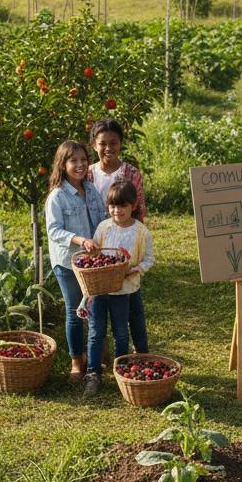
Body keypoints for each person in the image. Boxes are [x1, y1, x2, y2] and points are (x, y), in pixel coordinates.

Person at [45, 139, 108, 394]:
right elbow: (54, 230)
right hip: (68, 261)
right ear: (63, 164)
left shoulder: (91, 190)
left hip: (91, 261)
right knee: (74, 311)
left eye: (83, 160)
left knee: (93, 308)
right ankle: (76, 362)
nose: (80, 165)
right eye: (74, 161)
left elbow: (102, 220)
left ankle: (94, 361)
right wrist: (80, 240)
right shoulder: (57, 196)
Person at [86, 181, 155, 372]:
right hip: (100, 288)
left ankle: (121, 368)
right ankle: (93, 371)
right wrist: (91, 250)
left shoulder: (141, 232)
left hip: (123, 289)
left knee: (121, 332)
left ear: (133, 206)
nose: (117, 210)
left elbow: (149, 259)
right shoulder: (103, 227)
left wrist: (135, 269)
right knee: (95, 332)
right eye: (113, 206)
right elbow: (95, 255)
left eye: (123, 206)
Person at [87, 118, 147, 222]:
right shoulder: (87, 174)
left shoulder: (131, 174)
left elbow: (139, 209)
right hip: (92, 235)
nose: (108, 148)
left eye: (113, 143)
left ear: (120, 143)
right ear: (94, 145)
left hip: (123, 234)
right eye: (102, 144)